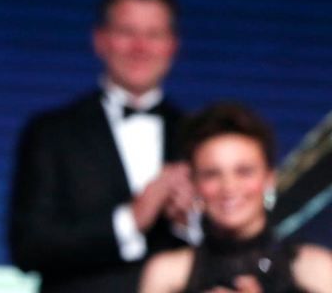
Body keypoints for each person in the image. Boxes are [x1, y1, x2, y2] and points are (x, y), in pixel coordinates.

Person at [9, 0, 197, 293]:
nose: (140, 47)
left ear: (172, 46)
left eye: (153, 34)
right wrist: (129, 221)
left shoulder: (198, 138)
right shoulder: (52, 133)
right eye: (127, 32)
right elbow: (28, 247)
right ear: (100, 40)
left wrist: (190, 222)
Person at [139, 102, 332, 293]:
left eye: (244, 172)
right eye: (212, 174)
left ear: (269, 178)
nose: (229, 187)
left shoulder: (316, 270)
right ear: (194, 183)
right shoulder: (167, 275)